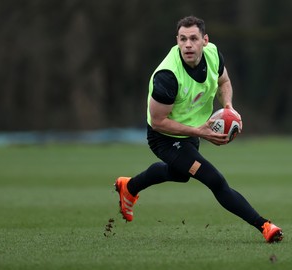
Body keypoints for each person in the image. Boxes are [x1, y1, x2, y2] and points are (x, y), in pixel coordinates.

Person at [114, 16, 283, 243]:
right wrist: (200, 132)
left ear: (205, 40)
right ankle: (265, 226)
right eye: (183, 39)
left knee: (180, 174)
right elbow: (157, 122)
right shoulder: (167, 76)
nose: (188, 45)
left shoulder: (213, 54)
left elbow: (224, 82)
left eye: (193, 38)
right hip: (165, 138)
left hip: (192, 132)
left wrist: (228, 106)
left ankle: (130, 186)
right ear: (177, 41)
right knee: (214, 180)